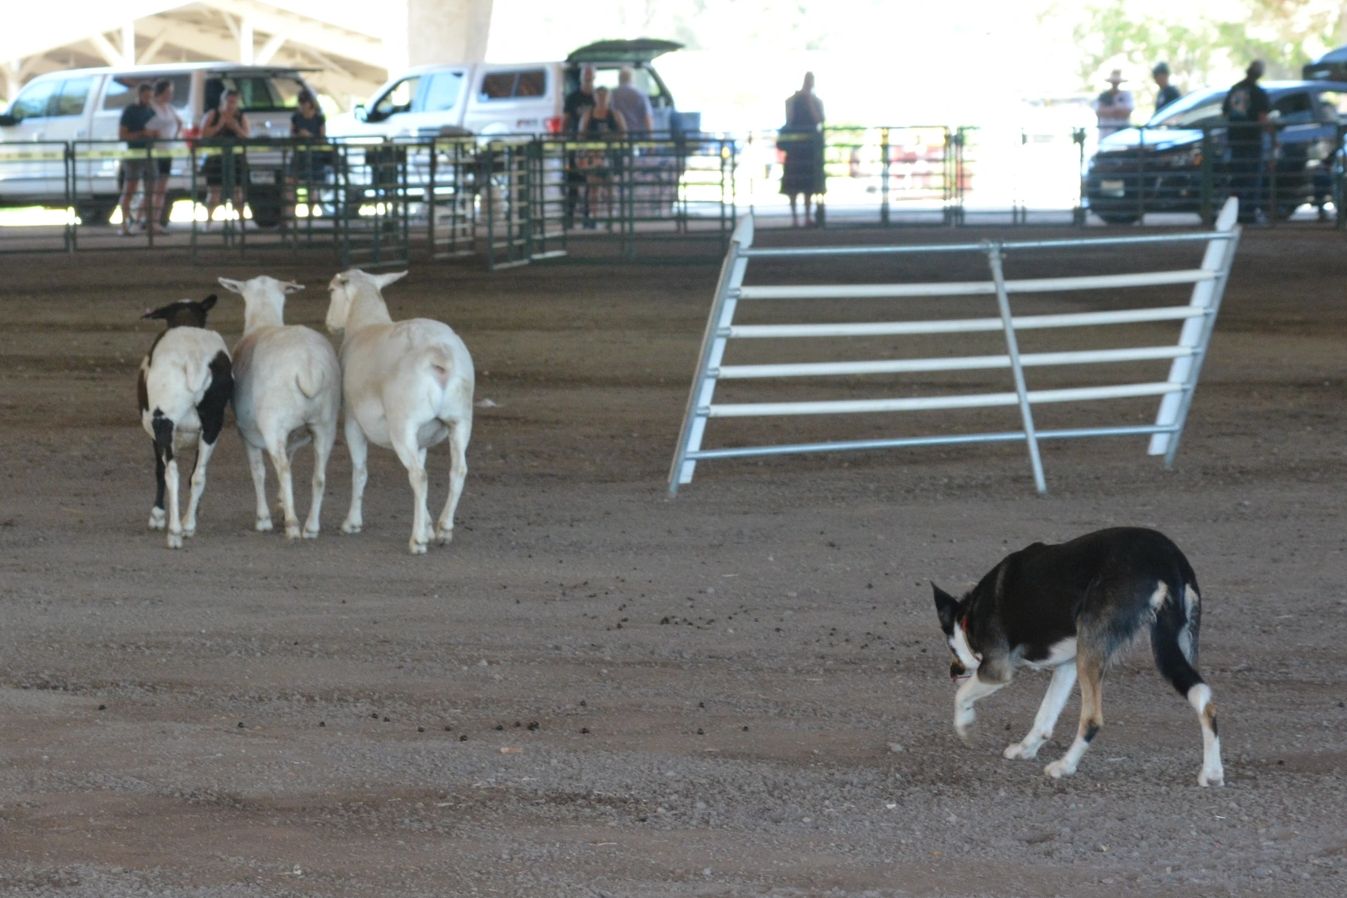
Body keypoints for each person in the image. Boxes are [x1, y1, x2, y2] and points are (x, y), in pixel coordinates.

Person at [1222, 60, 1271, 223]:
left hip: (1235, 140)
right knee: (1252, 178)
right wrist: (1272, 133)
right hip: (1251, 141)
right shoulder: (1258, 93)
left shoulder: (1235, 89)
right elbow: (1262, 118)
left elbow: (1225, 113)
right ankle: (1249, 212)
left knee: (1237, 177)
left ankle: (1235, 212)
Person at [778, 71, 825, 227]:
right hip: (796, 149)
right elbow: (789, 119)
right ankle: (795, 219)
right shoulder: (792, 101)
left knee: (808, 186)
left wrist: (809, 101)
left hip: (808, 149)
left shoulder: (815, 101)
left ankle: (805, 217)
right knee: (793, 185)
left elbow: (820, 120)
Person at [576, 85, 627, 228]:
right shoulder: (588, 115)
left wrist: (611, 139)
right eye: (599, 95)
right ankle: (594, 217)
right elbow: (581, 135)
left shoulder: (615, 115)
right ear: (594, 97)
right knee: (593, 187)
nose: (602, 98)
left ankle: (611, 217)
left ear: (609, 97)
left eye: (605, 95)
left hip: (610, 156)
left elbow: (624, 134)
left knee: (611, 187)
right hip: (593, 157)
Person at [199, 88, 250, 226]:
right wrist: (219, 125)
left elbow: (246, 136)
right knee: (214, 193)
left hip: (236, 159)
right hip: (216, 159)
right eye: (229, 101)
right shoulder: (213, 114)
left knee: (237, 193)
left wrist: (236, 128)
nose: (231, 105)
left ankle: (241, 225)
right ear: (223, 101)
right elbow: (203, 134)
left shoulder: (241, 117)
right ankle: (207, 224)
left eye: (234, 102)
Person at [117, 82, 158, 236]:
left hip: (149, 153)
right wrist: (142, 134)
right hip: (134, 153)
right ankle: (124, 225)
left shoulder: (150, 111)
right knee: (130, 189)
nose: (148, 99)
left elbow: (155, 130)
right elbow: (122, 135)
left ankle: (142, 221)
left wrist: (153, 134)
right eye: (146, 96)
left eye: (150, 97)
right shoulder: (130, 111)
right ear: (139, 95)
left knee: (151, 190)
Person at [286, 88, 328, 229]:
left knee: (312, 188)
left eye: (305, 102)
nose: (303, 105)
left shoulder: (319, 118)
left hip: (314, 156)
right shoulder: (295, 118)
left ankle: (310, 219)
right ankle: (290, 218)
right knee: (291, 185)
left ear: (311, 103)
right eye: (301, 102)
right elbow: (291, 135)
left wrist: (309, 136)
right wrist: (299, 135)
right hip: (299, 156)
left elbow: (322, 138)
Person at [145, 79, 182, 233]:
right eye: (168, 92)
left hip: (167, 150)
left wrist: (174, 137)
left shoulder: (170, 108)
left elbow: (179, 122)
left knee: (161, 188)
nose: (170, 95)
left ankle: (155, 221)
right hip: (155, 151)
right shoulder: (151, 107)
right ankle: (143, 219)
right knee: (151, 188)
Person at [563, 65, 597, 227]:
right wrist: (563, 138)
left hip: (593, 147)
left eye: (590, 75)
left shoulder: (597, 97)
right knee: (573, 183)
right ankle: (569, 217)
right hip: (575, 145)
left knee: (591, 183)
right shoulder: (572, 98)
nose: (588, 78)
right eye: (585, 75)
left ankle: (587, 216)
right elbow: (566, 120)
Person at [610, 67, 653, 135]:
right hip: (639, 133)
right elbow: (647, 116)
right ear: (632, 78)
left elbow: (613, 113)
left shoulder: (613, 95)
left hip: (621, 134)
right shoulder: (640, 94)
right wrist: (651, 137)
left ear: (619, 79)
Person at [1094, 69, 1134, 138]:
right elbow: (1099, 111)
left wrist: (1110, 111)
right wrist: (1116, 111)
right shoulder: (1103, 96)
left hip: (1122, 133)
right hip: (1105, 133)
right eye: (1113, 82)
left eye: (1116, 82)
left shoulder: (1126, 95)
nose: (1115, 84)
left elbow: (1127, 112)